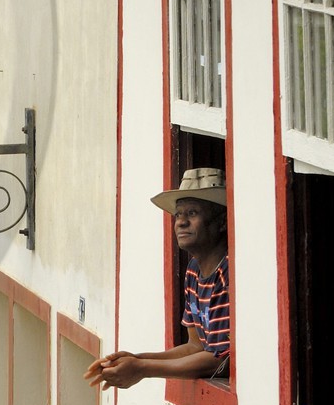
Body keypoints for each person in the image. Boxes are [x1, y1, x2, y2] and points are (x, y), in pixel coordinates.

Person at [85, 167, 230, 390]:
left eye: (192, 213)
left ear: (221, 223)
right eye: (178, 214)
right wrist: (135, 359)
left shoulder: (228, 273)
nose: (181, 222)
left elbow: (218, 359)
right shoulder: (193, 270)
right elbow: (195, 346)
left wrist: (143, 369)